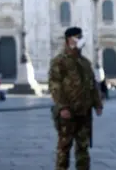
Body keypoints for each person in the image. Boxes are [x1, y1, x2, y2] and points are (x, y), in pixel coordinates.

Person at [49, 27, 103, 170]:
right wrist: (62, 107)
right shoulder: (59, 61)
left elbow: (92, 84)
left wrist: (98, 103)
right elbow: (55, 86)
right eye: (78, 37)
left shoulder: (85, 62)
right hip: (68, 112)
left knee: (83, 149)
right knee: (64, 148)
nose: (81, 40)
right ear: (69, 40)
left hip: (84, 112)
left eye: (81, 36)